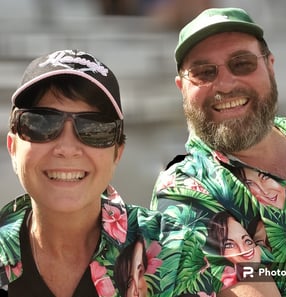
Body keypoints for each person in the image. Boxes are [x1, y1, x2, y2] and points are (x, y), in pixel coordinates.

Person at [0, 49, 217, 296]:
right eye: (41, 124)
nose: (67, 149)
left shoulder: (174, 252)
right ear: (13, 147)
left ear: (118, 152)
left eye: (94, 129)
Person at [150, 7, 286, 297]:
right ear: (182, 88)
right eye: (203, 72)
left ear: (270, 65)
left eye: (242, 63)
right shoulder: (187, 191)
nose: (225, 84)